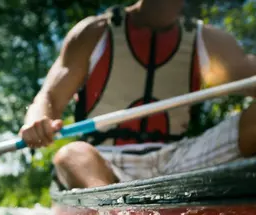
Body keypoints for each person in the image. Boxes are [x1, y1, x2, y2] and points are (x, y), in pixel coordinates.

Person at [20, 0, 256, 190]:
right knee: (70, 155)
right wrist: (37, 120)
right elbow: (49, 96)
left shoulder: (208, 39)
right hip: (105, 161)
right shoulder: (94, 33)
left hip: (179, 158)